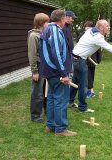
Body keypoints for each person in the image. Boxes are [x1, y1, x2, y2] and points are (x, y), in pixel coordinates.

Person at [69, 19, 112, 113]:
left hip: (75, 58)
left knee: (75, 80)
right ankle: (82, 108)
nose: (109, 27)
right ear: (101, 28)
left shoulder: (90, 30)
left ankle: (69, 102)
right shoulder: (98, 37)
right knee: (83, 85)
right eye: (107, 26)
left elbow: (85, 43)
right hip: (80, 60)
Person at [39, 9, 77, 137]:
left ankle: (50, 125)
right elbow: (56, 54)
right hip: (56, 72)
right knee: (61, 99)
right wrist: (64, 74)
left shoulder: (47, 29)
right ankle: (60, 129)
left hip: (50, 71)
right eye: (65, 17)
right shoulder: (54, 30)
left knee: (51, 98)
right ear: (62, 19)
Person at [28, 13, 49, 123]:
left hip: (45, 67)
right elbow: (32, 55)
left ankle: (47, 111)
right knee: (37, 92)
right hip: (38, 67)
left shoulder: (43, 34)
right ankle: (35, 115)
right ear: (41, 23)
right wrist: (34, 71)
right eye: (47, 21)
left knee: (46, 90)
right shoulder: (33, 36)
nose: (48, 24)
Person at [78, 21, 102, 98]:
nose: (87, 28)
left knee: (91, 75)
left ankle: (90, 91)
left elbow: (98, 49)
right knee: (87, 75)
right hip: (85, 59)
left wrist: (98, 60)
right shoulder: (82, 35)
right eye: (86, 27)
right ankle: (90, 90)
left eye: (89, 27)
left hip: (93, 60)